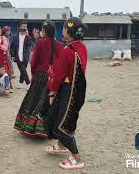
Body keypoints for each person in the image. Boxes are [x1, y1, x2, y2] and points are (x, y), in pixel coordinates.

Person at [43, 17, 88, 170]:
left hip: (67, 92)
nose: (62, 31)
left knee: (61, 124)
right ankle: (62, 146)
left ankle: (77, 158)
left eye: (63, 28)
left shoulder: (67, 51)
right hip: (77, 90)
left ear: (68, 31)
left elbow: (58, 76)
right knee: (60, 118)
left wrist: (52, 92)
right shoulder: (81, 47)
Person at [14, 21, 61, 138]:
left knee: (33, 100)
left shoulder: (40, 42)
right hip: (52, 77)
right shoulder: (59, 45)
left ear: (44, 31)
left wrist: (33, 74)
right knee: (47, 101)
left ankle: (31, 128)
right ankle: (47, 129)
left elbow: (34, 61)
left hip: (40, 75)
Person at [10, 20, 34, 90]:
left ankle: (20, 83)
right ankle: (28, 83)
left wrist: (28, 36)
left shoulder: (28, 37)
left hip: (25, 57)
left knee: (23, 71)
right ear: (20, 27)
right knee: (23, 70)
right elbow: (12, 47)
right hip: (17, 56)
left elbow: (32, 45)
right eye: (23, 26)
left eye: (26, 26)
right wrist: (12, 55)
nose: (25, 28)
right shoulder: (15, 36)